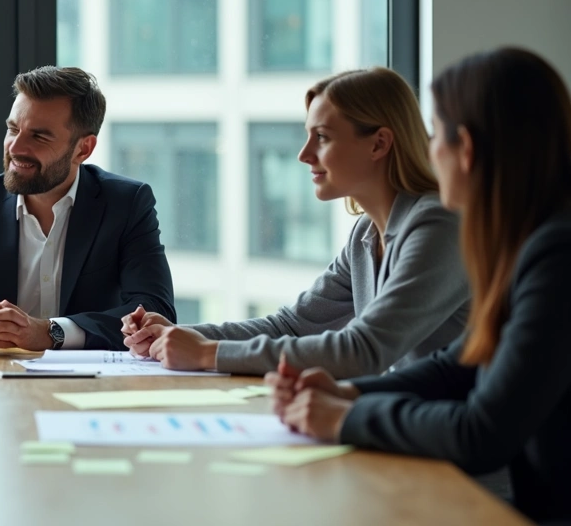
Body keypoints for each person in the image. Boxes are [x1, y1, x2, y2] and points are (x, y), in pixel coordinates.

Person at [269, 47, 571, 523]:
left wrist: (346, 418)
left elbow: (482, 432)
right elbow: (462, 365)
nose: (428, 151)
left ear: (465, 149)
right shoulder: (529, 242)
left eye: (436, 136)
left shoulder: (556, 256)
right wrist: (352, 395)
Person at [122, 67, 469, 377]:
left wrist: (206, 353)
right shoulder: (366, 232)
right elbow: (294, 325)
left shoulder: (438, 226)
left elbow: (364, 351)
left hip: (458, 436)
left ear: (378, 143)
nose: (304, 155)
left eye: (322, 137)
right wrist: (177, 337)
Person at [0, 66, 175, 351]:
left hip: (93, 386)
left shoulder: (126, 203)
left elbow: (154, 312)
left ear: (83, 149)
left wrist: (51, 332)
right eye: (13, 129)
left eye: (39, 137)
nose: (16, 147)